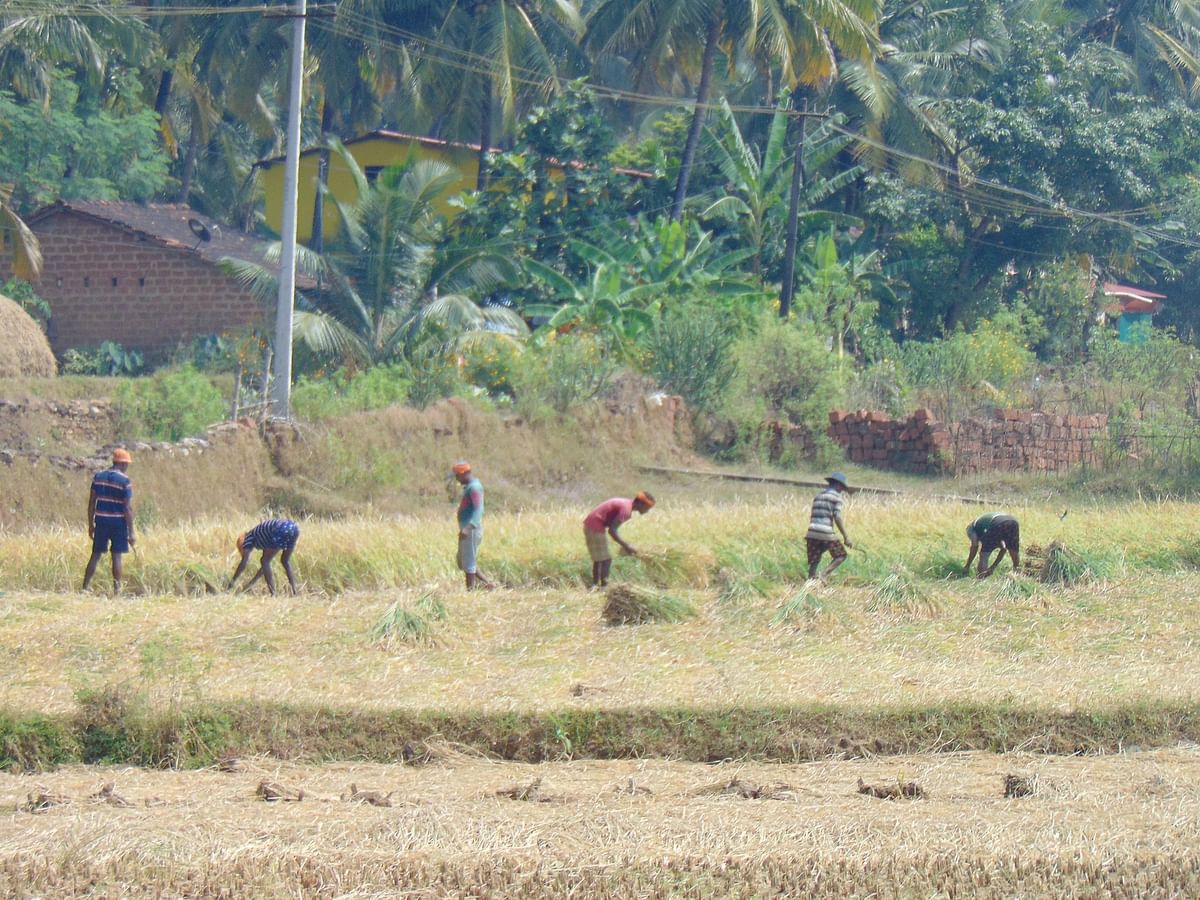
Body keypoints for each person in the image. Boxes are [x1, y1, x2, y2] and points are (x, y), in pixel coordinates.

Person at [83, 448, 136, 593]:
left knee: (95, 555)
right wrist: (131, 532)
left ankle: (85, 587)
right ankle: (117, 590)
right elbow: (127, 508)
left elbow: (91, 502)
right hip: (118, 524)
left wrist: (91, 524)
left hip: (101, 521)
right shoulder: (124, 481)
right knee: (116, 557)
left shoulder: (98, 477)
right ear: (123, 464)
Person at [583, 492, 655, 587]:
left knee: (600, 559)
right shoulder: (626, 509)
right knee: (606, 560)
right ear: (641, 504)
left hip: (592, 524)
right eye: (647, 508)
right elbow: (612, 531)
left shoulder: (626, 504)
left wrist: (625, 545)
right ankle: (603, 587)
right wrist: (626, 546)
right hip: (595, 526)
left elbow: (611, 524)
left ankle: (596, 585)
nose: (647, 511)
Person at [227, 518, 301, 595]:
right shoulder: (262, 537)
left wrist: (232, 582)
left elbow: (243, 563)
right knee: (285, 561)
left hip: (280, 529)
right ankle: (295, 591)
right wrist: (251, 584)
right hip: (294, 528)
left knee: (264, 560)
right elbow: (264, 568)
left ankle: (274, 593)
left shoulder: (248, 539)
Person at [452, 461, 493, 590]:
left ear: (465, 474)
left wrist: (468, 528)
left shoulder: (475, 487)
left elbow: (478, 510)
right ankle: (488, 584)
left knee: (468, 561)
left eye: (458, 476)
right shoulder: (469, 487)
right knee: (463, 560)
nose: (457, 479)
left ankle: (471, 590)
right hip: (466, 529)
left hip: (471, 530)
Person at [806, 472, 853, 582]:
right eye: (841, 487)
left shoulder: (818, 496)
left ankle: (811, 579)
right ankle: (824, 574)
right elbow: (837, 516)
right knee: (841, 555)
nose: (842, 490)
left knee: (815, 557)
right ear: (837, 485)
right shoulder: (836, 497)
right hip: (825, 531)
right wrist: (846, 537)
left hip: (811, 531)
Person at [965, 512, 1020, 578]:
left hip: (996, 523)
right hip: (1013, 522)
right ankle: (1016, 571)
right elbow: (1004, 548)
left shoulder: (971, 528)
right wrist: (992, 567)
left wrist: (967, 566)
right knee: (1013, 550)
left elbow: (974, 546)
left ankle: (980, 578)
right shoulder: (983, 524)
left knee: (984, 555)